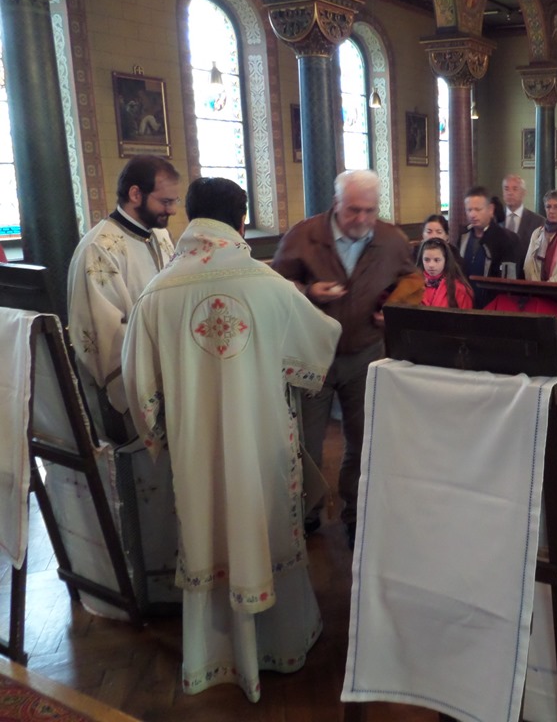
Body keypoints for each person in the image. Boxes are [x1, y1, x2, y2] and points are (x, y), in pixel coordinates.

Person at [122, 177, 342, 702]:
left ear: (190, 219)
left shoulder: (158, 291)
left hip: (197, 454)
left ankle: (213, 655)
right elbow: (319, 349)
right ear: (242, 220)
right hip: (261, 447)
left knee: (206, 534)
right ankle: (281, 641)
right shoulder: (267, 284)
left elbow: (138, 386)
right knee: (264, 529)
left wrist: (159, 431)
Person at [271, 169, 420, 547]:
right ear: (336, 204)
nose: (362, 219)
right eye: (354, 210)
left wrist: (396, 306)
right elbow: (273, 285)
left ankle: (356, 512)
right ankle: (305, 515)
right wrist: (307, 291)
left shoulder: (390, 239)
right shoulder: (304, 236)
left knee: (362, 439)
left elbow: (413, 279)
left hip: (366, 352)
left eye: (369, 211)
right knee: (307, 441)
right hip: (311, 355)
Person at [67, 155, 180, 442]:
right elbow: (105, 338)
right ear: (135, 194)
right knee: (142, 479)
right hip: (132, 391)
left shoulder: (161, 236)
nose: (174, 210)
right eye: (166, 202)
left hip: (170, 373)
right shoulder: (100, 249)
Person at [458, 185, 521, 307]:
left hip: (494, 306)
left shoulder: (507, 239)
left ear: (490, 209)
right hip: (465, 304)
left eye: (477, 209)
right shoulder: (463, 237)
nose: (472, 215)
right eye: (469, 210)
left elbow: (509, 281)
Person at [418, 237, 473, 309]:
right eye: (426, 260)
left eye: (437, 260)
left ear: (445, 260)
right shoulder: (414, 285)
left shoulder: (459, 288)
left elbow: (466, 318)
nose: (431, 265)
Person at [502, 174, 544, 260]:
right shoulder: (493, 219)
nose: (510, 193)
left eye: (515, 189)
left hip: (524, 271)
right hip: (496, 272)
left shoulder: (538, 222)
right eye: (506, 189)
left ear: (524, 193)